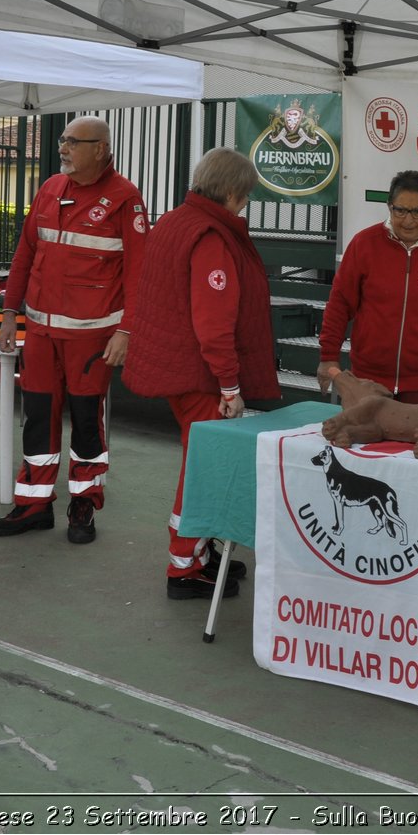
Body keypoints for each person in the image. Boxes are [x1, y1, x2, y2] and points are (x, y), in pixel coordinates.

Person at [122, 147, 279, 599]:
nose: (245, 203)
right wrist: (230, 385)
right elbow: (214, 320)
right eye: (245, 195)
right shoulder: (212, 236)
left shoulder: (173, 221)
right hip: (201, 375)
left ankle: (203, 555)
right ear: (231, 191)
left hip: (175, 366)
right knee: (203, 472)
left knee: (199, 463)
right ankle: (184, 566)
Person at [0, 117, 148, 544]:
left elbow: (139, 275)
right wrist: (8, 313)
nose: (64, 148)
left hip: (92, 338)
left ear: (101, 149)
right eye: (63, 140)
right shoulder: (50, 188)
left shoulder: (125, 199)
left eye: (73, 142)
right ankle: (34, 504)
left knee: (85, 421)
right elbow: (24, 255)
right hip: (40, 333)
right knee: (37, 417)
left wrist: (126, 332)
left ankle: (84, 503)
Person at [316, 170, 418, 405]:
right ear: (389, 206)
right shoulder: (364, 244)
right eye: (400, 210)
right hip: (367, 381)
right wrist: (328, 357)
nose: (408, 220)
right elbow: (339, 304)